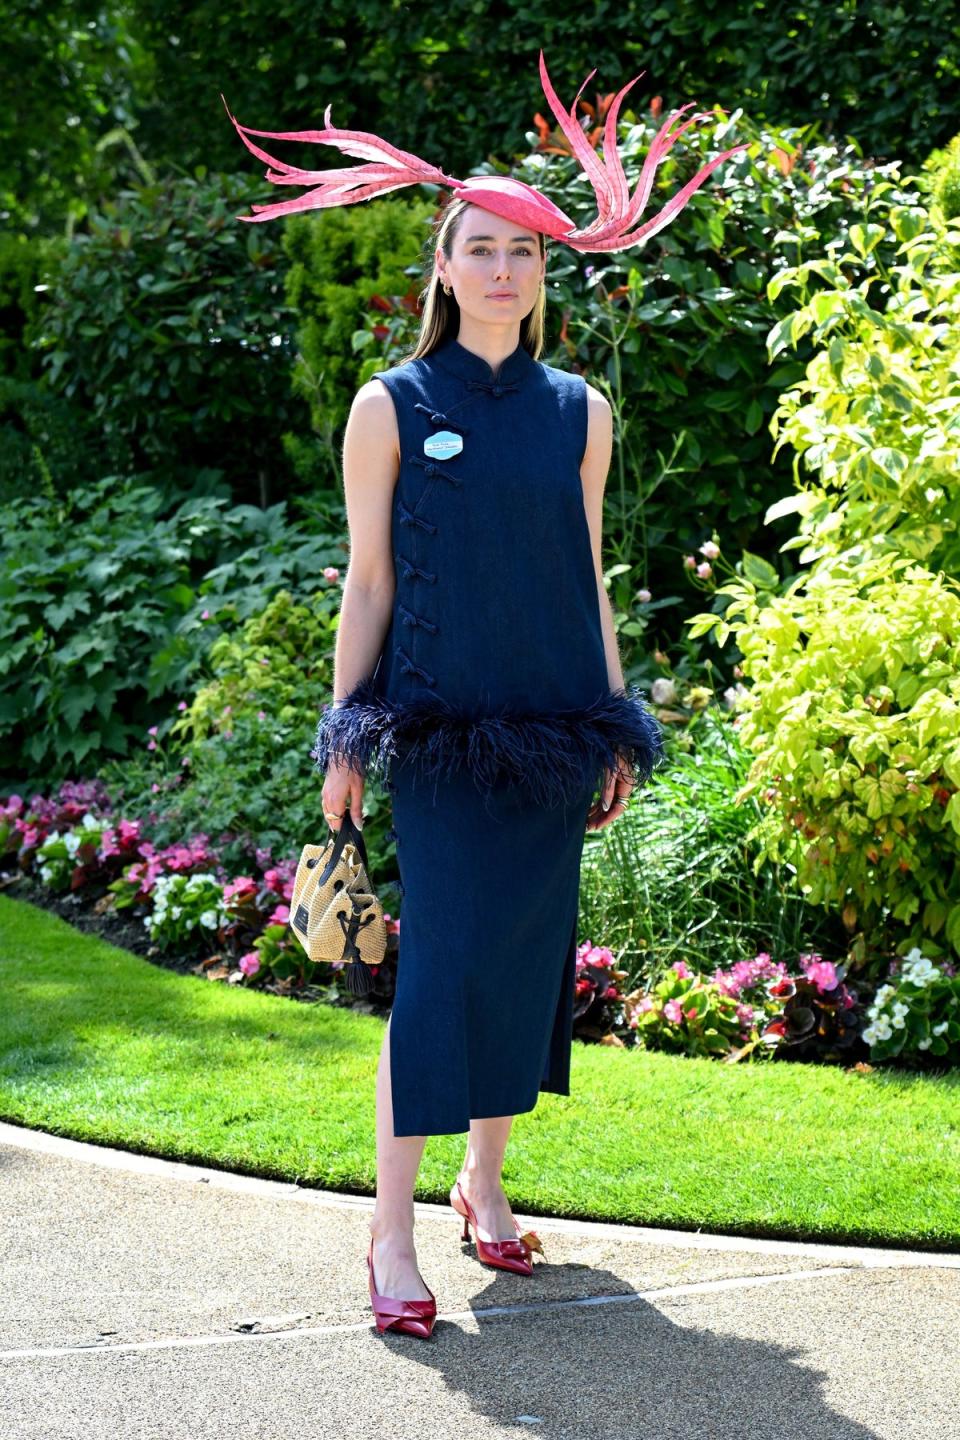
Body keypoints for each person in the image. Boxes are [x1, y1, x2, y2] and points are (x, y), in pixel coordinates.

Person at [222, 51, 747, 1339]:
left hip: (556, 728)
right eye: (478, 249)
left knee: (523, 962)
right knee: (443, 969)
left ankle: (485, 1182)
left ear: (542, 273)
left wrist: (615, 717)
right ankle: (388, 1231)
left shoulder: (581, 408)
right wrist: (345, 735)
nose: (501, 269)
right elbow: (368, 580)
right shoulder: (390, 404)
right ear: (444, 270)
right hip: (441, 735)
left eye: (522, 251)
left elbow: (589, 575)